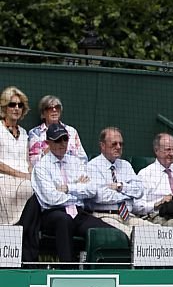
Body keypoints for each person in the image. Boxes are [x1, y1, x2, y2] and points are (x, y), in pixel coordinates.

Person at [30, 123, 113, 262]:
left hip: (78, 212)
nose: (62, 144)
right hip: (53, 214)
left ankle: (97, 270)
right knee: (64, 221)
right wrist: (79, 188)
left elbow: (92, 190)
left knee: (109, 233)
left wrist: (70, 187)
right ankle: (67, 270)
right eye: (57, 140)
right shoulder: (41, 167)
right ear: (48, 142)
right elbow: (51, 198)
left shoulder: (76, 162)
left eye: (65, 139)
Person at [84, 127, 153, 234]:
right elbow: (100, 196)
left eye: (121, 144)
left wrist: (120, 187)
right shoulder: (92, 167)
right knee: (134, 235)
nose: (118, 147)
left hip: (128, 217)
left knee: (156, 232)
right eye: (114, 144)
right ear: (102, 145)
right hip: (105, 216)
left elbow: (139, 191)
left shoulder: (126, 165)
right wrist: (128, 194)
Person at [0, 86, 33, 225]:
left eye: (20, 105)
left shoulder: (24, 133)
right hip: (4, 180)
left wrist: (31, 174)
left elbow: (27, 160)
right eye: (12, 104)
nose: (16, 108)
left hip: (25, 182)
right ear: (4, 108)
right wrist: (21, 175)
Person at [27, 95, 88, 167]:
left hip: (71, 171)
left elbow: (83, 158)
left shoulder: (71, 131)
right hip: (46, 171)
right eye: (49, 108)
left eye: (57, 107)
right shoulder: (35, 133)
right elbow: (32, 162)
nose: (54, 110)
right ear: (43, 114)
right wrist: (46, 152)